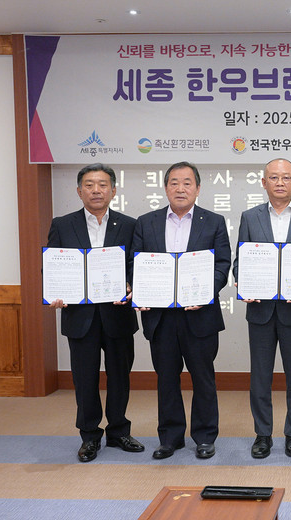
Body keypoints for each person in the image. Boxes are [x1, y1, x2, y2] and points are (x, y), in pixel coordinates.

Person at [132, 161, 231, 460]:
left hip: (200, 314)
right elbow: (135, 263)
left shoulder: (213, 221)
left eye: (187, 183)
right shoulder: (146, 222)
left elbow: (222, 264)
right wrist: (140, 291)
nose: (180, 188)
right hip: (160, 316)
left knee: (203, 378)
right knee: (166, 379)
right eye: (174, 182)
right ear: (165, 188)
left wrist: (205, 292)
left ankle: (205, 436)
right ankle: (170, 438)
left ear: (198, 188)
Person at [46, 163, 144, 462]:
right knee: (84, 379)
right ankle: (89, 436)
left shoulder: (130, 225)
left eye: (102, 185)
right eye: (89, 185)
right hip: (80, 317)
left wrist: (131, 283)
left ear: (113, 190)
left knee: (120, 377)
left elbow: (136, 264)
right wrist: (54, 291)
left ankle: (119, 431)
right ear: (79, 191)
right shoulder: (63, 224)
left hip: (118, 315)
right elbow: (52, 265)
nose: (96, 190)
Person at [232, 158, 291, 459]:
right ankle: (262, 434)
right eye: (273, 177)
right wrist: (243, 282)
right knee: (260, 377)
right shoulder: (250, 217)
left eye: (286, 177)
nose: (280, 182)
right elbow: (240, 260)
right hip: (260, 310)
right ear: (264, 182)